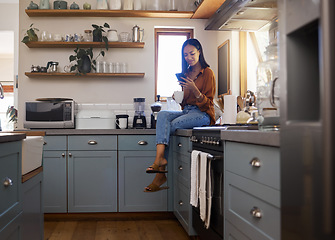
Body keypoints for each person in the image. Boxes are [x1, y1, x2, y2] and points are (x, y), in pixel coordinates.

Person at [144, 38, 216, 192]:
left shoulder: (208, 73)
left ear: (199, 52)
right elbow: (183, 104)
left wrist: (194, 88)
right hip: (187, 111)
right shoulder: (187, 73)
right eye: (185, 55)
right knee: (163, 115)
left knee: (170, 126)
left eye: (191, 53)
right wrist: (179, 94)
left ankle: (160, 169)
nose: (188, 57)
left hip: (203, 115)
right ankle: (160, 161)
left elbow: (208, 104)